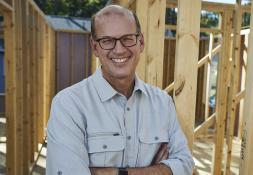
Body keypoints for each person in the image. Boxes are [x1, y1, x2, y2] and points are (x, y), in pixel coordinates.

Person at [46, 5, 194, 175]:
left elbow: (185, 164)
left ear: (141, 43)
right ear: (95, 47)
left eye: (128, 38)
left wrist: (107, 172)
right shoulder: (68, 105)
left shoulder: (163, 102)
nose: (119, 49)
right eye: (107, 41)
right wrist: (159, 170)